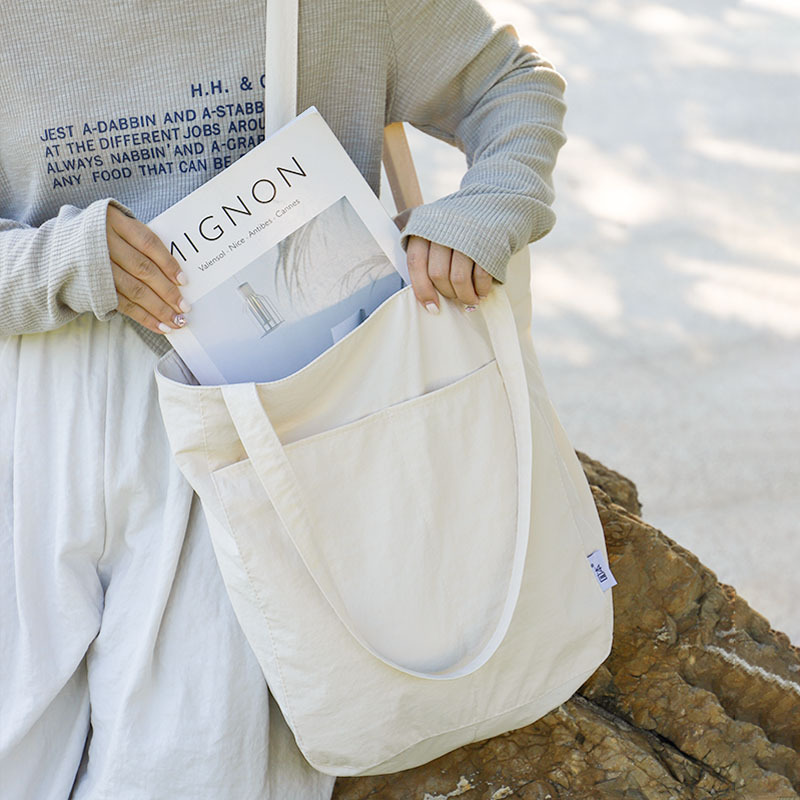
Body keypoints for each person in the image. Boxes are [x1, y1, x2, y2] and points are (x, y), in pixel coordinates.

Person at [0, 0, 566, 796]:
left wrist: (487, 207)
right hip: (33, 414)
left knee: (199, 770)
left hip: (272, 411)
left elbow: (509, 82)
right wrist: (54, 262)